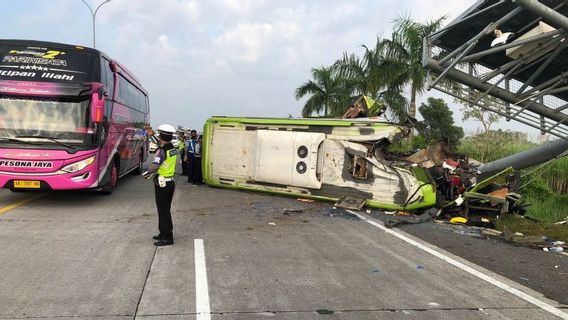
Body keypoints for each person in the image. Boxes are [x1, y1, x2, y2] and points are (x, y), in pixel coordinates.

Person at [143, 124, 178, 246]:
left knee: (163, 211)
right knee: (165, 210)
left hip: (162, 184)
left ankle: (168, 237)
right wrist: (152, 135)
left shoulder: (161, 151)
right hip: (170, 183)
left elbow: (155, 165)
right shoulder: (173, 147)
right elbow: (161, 143)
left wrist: (146, 174)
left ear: (161, 136)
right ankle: (163, 233)